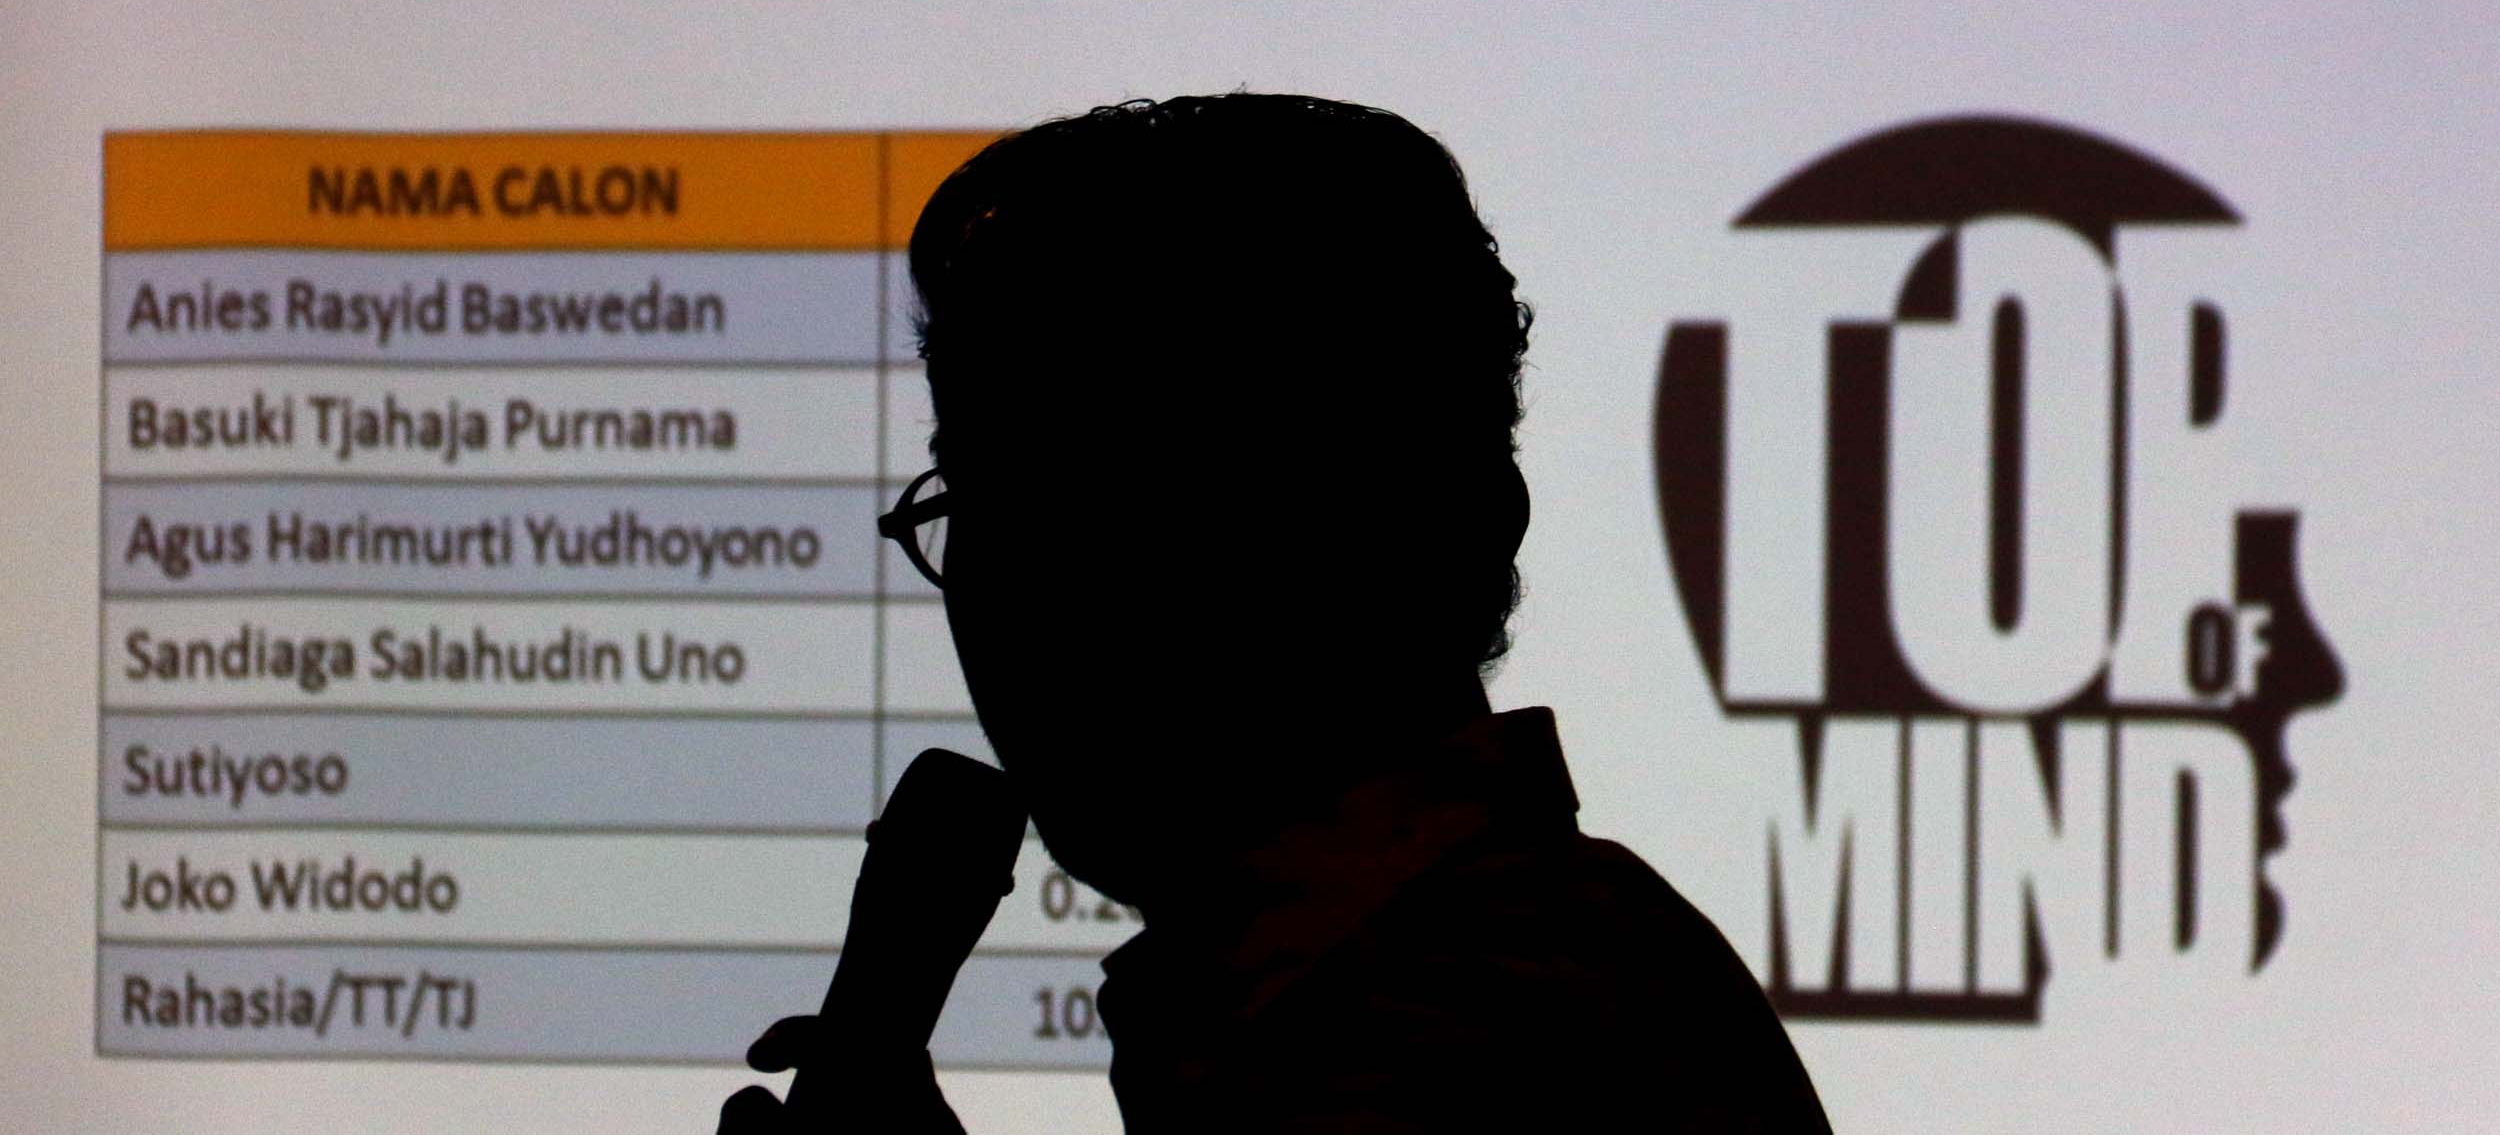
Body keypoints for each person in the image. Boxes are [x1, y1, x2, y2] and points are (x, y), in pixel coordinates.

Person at [721, 93, 1831, 1131]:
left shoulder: (1465, 1033)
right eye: (989, 490)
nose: (1029, 583)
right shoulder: (1487, 962)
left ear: (1406, 517)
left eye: (1114, 484)